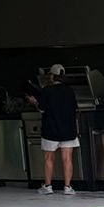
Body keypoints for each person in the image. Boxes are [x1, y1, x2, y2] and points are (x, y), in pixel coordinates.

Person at [32, 65, 80, 194]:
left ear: (52, 76)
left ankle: (47, 186)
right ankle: (68, 187)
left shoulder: (47, 90)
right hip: (69, 130)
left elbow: (42, 109)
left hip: (50, 129)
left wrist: (34, 102)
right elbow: (75, 108)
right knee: (67, 158)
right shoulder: (70, 90)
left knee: (49, 158)